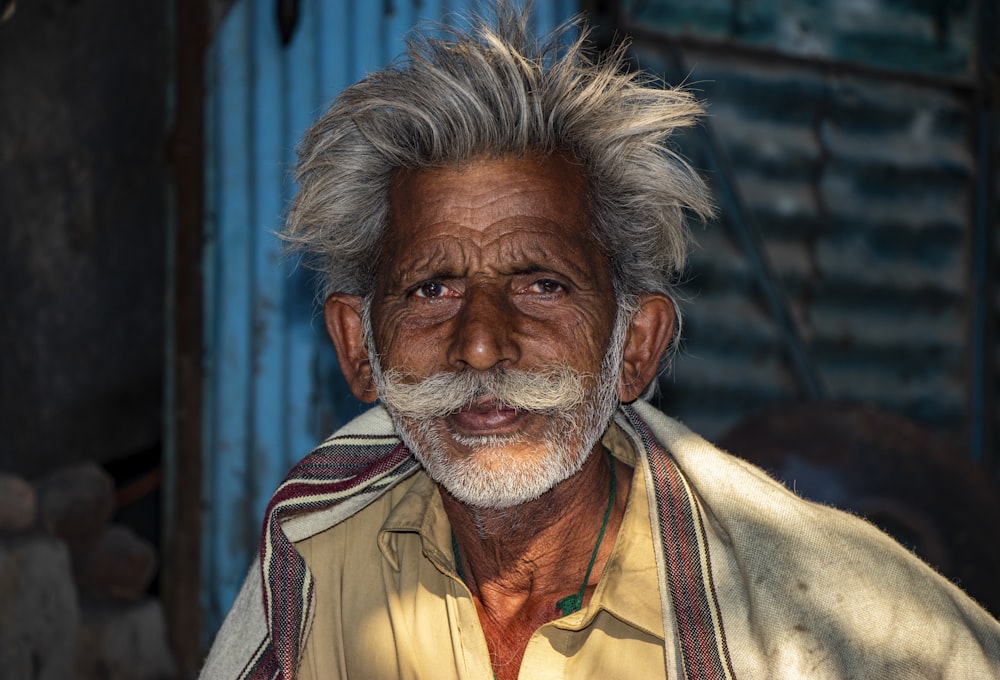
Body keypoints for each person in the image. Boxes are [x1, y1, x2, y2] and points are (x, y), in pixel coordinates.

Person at [200, 5, 1000, 679]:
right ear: (357, 347)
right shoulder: (317, 557)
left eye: (542, 286)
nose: (481, 347)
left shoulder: (838, 620)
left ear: (636, 346)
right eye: (431, 289)